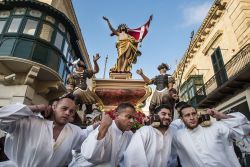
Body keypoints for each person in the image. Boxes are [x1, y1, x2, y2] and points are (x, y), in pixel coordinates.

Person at [0, 94, 98, 166]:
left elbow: (87, 139)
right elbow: (1, 118)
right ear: (54, 107)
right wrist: (36, 107)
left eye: (71, 111)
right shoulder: (29, 122)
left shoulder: (75, 131)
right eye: (64, 108)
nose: (68, 113)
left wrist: (98, 127)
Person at [173, 104, 250, 167]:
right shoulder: (179, 136)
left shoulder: (215, 127)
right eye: (187, 115)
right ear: (182, 119)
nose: (192, 117)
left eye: (194, 114)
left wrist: (220, 115)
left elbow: (245, 127)